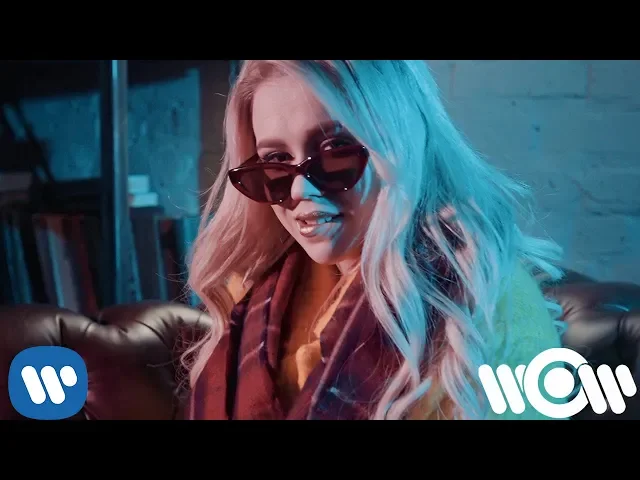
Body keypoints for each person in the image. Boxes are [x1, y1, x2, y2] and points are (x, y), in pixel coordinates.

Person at [183, 60, 566, 420]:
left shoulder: (491, 305)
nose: (300, 189)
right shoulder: (254, 294)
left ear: (401, 143)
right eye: (277, 161)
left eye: (335, 150)